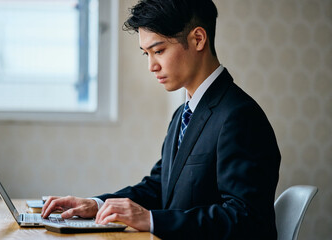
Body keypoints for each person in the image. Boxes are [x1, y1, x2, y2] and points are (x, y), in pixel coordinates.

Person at [42, 0, 281, 239]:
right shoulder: (183, 114)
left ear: (198, 39)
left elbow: (248, 219)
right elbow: (159, 187)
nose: (151, 66)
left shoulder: (240, 116)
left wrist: (151, 219)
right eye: (146, 54)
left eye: (158, 51)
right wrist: (97, 205)